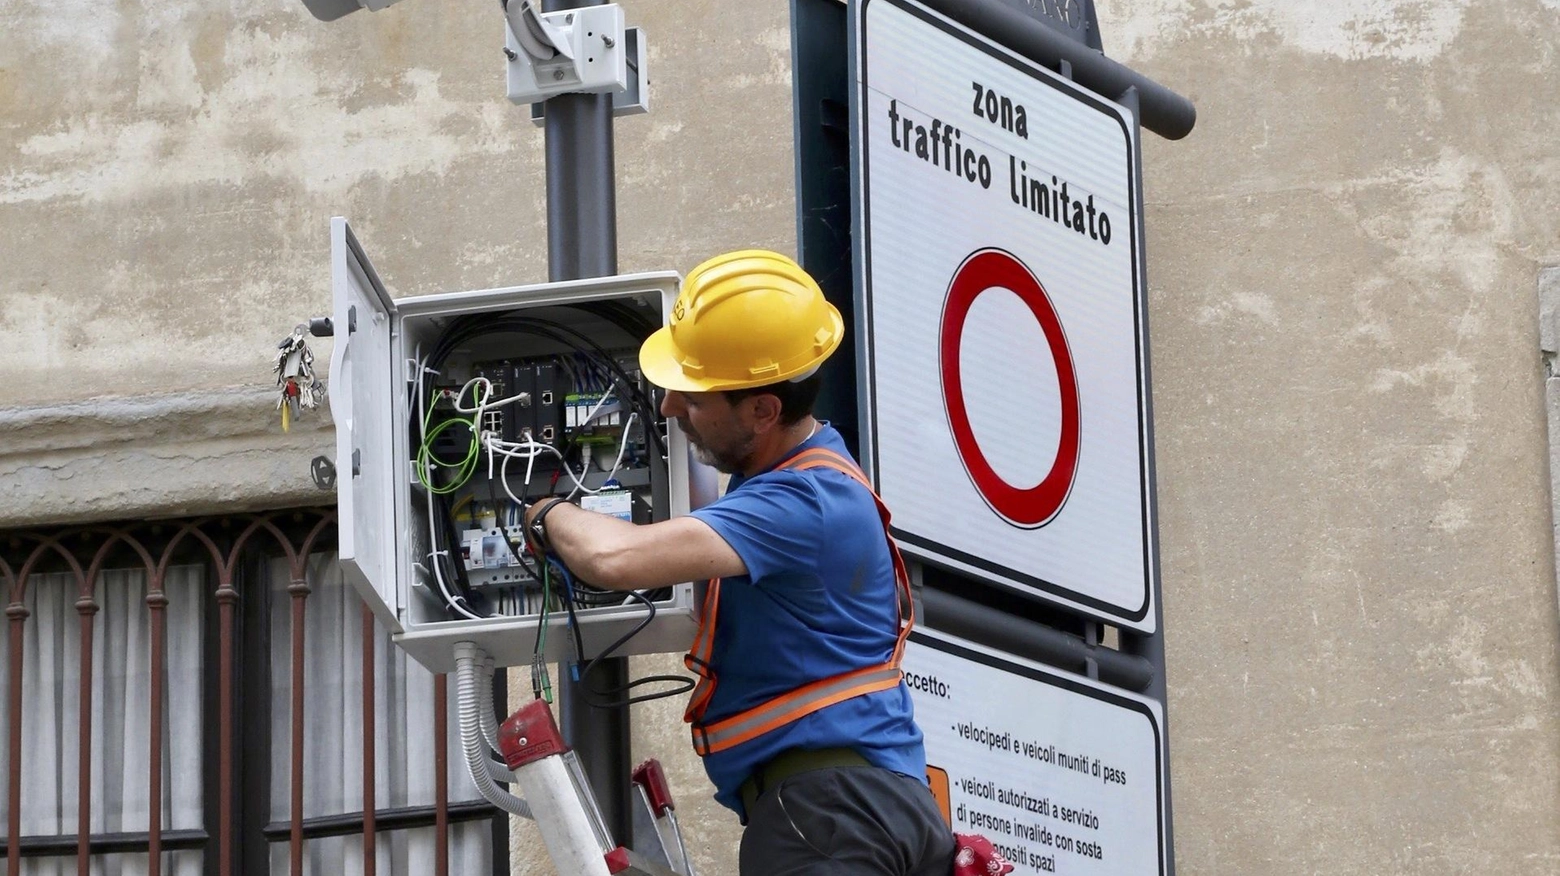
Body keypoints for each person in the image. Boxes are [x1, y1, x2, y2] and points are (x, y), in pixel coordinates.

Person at [524, 250, 954, 875]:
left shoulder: (800, 503)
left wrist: (542, 515)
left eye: (695, 399)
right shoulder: (802, 474)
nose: (669, 408)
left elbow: (611, 558)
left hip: (831, 812)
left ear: (763, 410)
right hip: (860, 807)